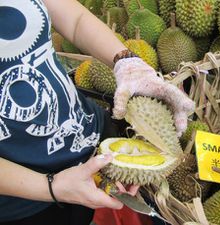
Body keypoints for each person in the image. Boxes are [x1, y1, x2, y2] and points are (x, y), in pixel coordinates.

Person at [0, 0, 195, 224]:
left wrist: (126, 62)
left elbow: (75, 20)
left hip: (94, 137)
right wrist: (53, 187)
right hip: (28, 197)